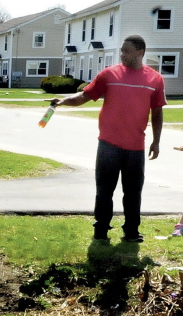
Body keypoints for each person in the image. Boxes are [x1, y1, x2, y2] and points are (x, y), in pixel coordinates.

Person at [53, 35, 165, 243]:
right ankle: (101, 230)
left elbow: (157, 113)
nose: (122, 54)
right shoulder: (109, 75)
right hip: (108, 146)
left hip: (135, 148)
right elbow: (84, 96)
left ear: (140, 52)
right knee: (104, 191)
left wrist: (156, 141)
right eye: (122, 50)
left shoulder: (155, 79)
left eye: (127, 51)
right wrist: (62, 101)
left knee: (133, 193)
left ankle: (131, 232)